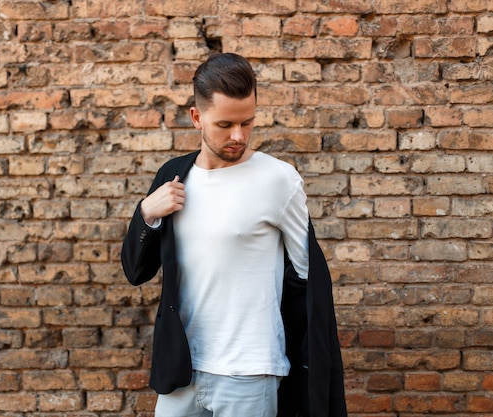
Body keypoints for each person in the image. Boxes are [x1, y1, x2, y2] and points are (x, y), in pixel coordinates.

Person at [121, 53, 347, 417]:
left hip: (250, 372)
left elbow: (308, 280)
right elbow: (136, 271)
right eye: (225, 124)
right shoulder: (174, 176)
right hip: (181, 370)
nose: (238, 136)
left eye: (248, 122)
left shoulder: (278, 179)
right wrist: (146, 213)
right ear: (197, 117)